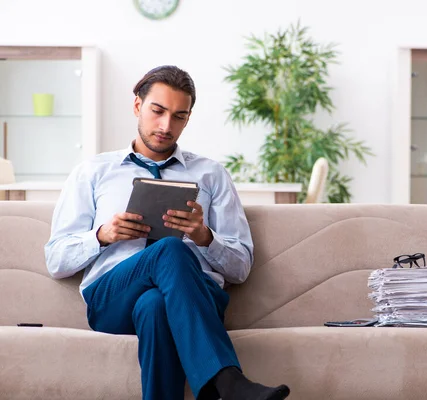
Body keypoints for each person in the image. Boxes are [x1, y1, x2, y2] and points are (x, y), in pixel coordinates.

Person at [44, 65, 291, 400]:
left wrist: (205, 237)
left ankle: (223, 383)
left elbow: (241, 267)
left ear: (187, 119)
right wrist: (103, 234)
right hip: (113, 297)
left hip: (196, 297)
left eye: (179, 116)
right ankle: (228, 381)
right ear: (137, 107)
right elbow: (56, 259)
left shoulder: (212, 175)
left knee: (156, 304)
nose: (165, 126)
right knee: (172, 250)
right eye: (157, 111)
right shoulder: (93, 171)